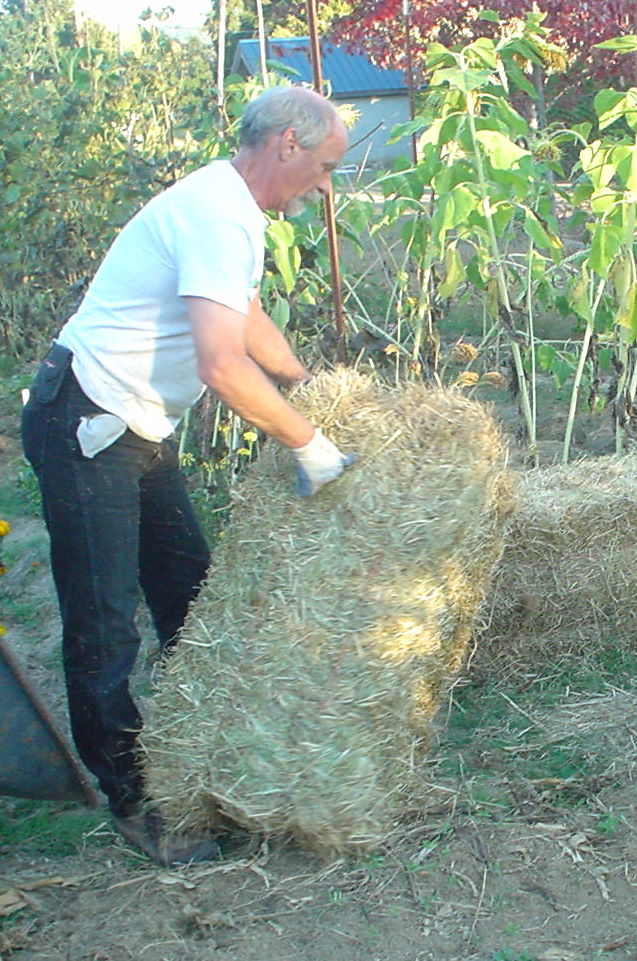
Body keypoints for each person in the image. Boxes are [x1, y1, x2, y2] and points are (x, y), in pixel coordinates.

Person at [20, 85, 356, 866]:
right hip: (87, 422)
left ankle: (209, 756)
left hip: (134, 425)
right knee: (105, 623)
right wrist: (310, 444)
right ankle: (135, 799)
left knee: (194, 597)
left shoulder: (228, 208)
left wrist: (311, 385)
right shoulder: (219, 212)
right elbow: (221, 361)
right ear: (287, 145)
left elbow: (241, 314)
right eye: (326, 167)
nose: (325, 186)